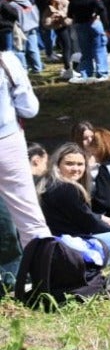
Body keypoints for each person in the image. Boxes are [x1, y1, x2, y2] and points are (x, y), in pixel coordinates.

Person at [36, 144, 110, 256]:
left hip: (59, 242)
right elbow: (91, 225)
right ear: (57, 165)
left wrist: (101, 217)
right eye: (69, 164)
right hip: (75, 245)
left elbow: (79, 215)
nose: (76, 169)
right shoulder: (67, 189)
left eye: (80, 164)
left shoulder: (48, 184)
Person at [0, 48, 47, 242]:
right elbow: (29, 109)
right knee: (29, 218)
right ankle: (45, 269)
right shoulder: (7, 60)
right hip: (7, 140)